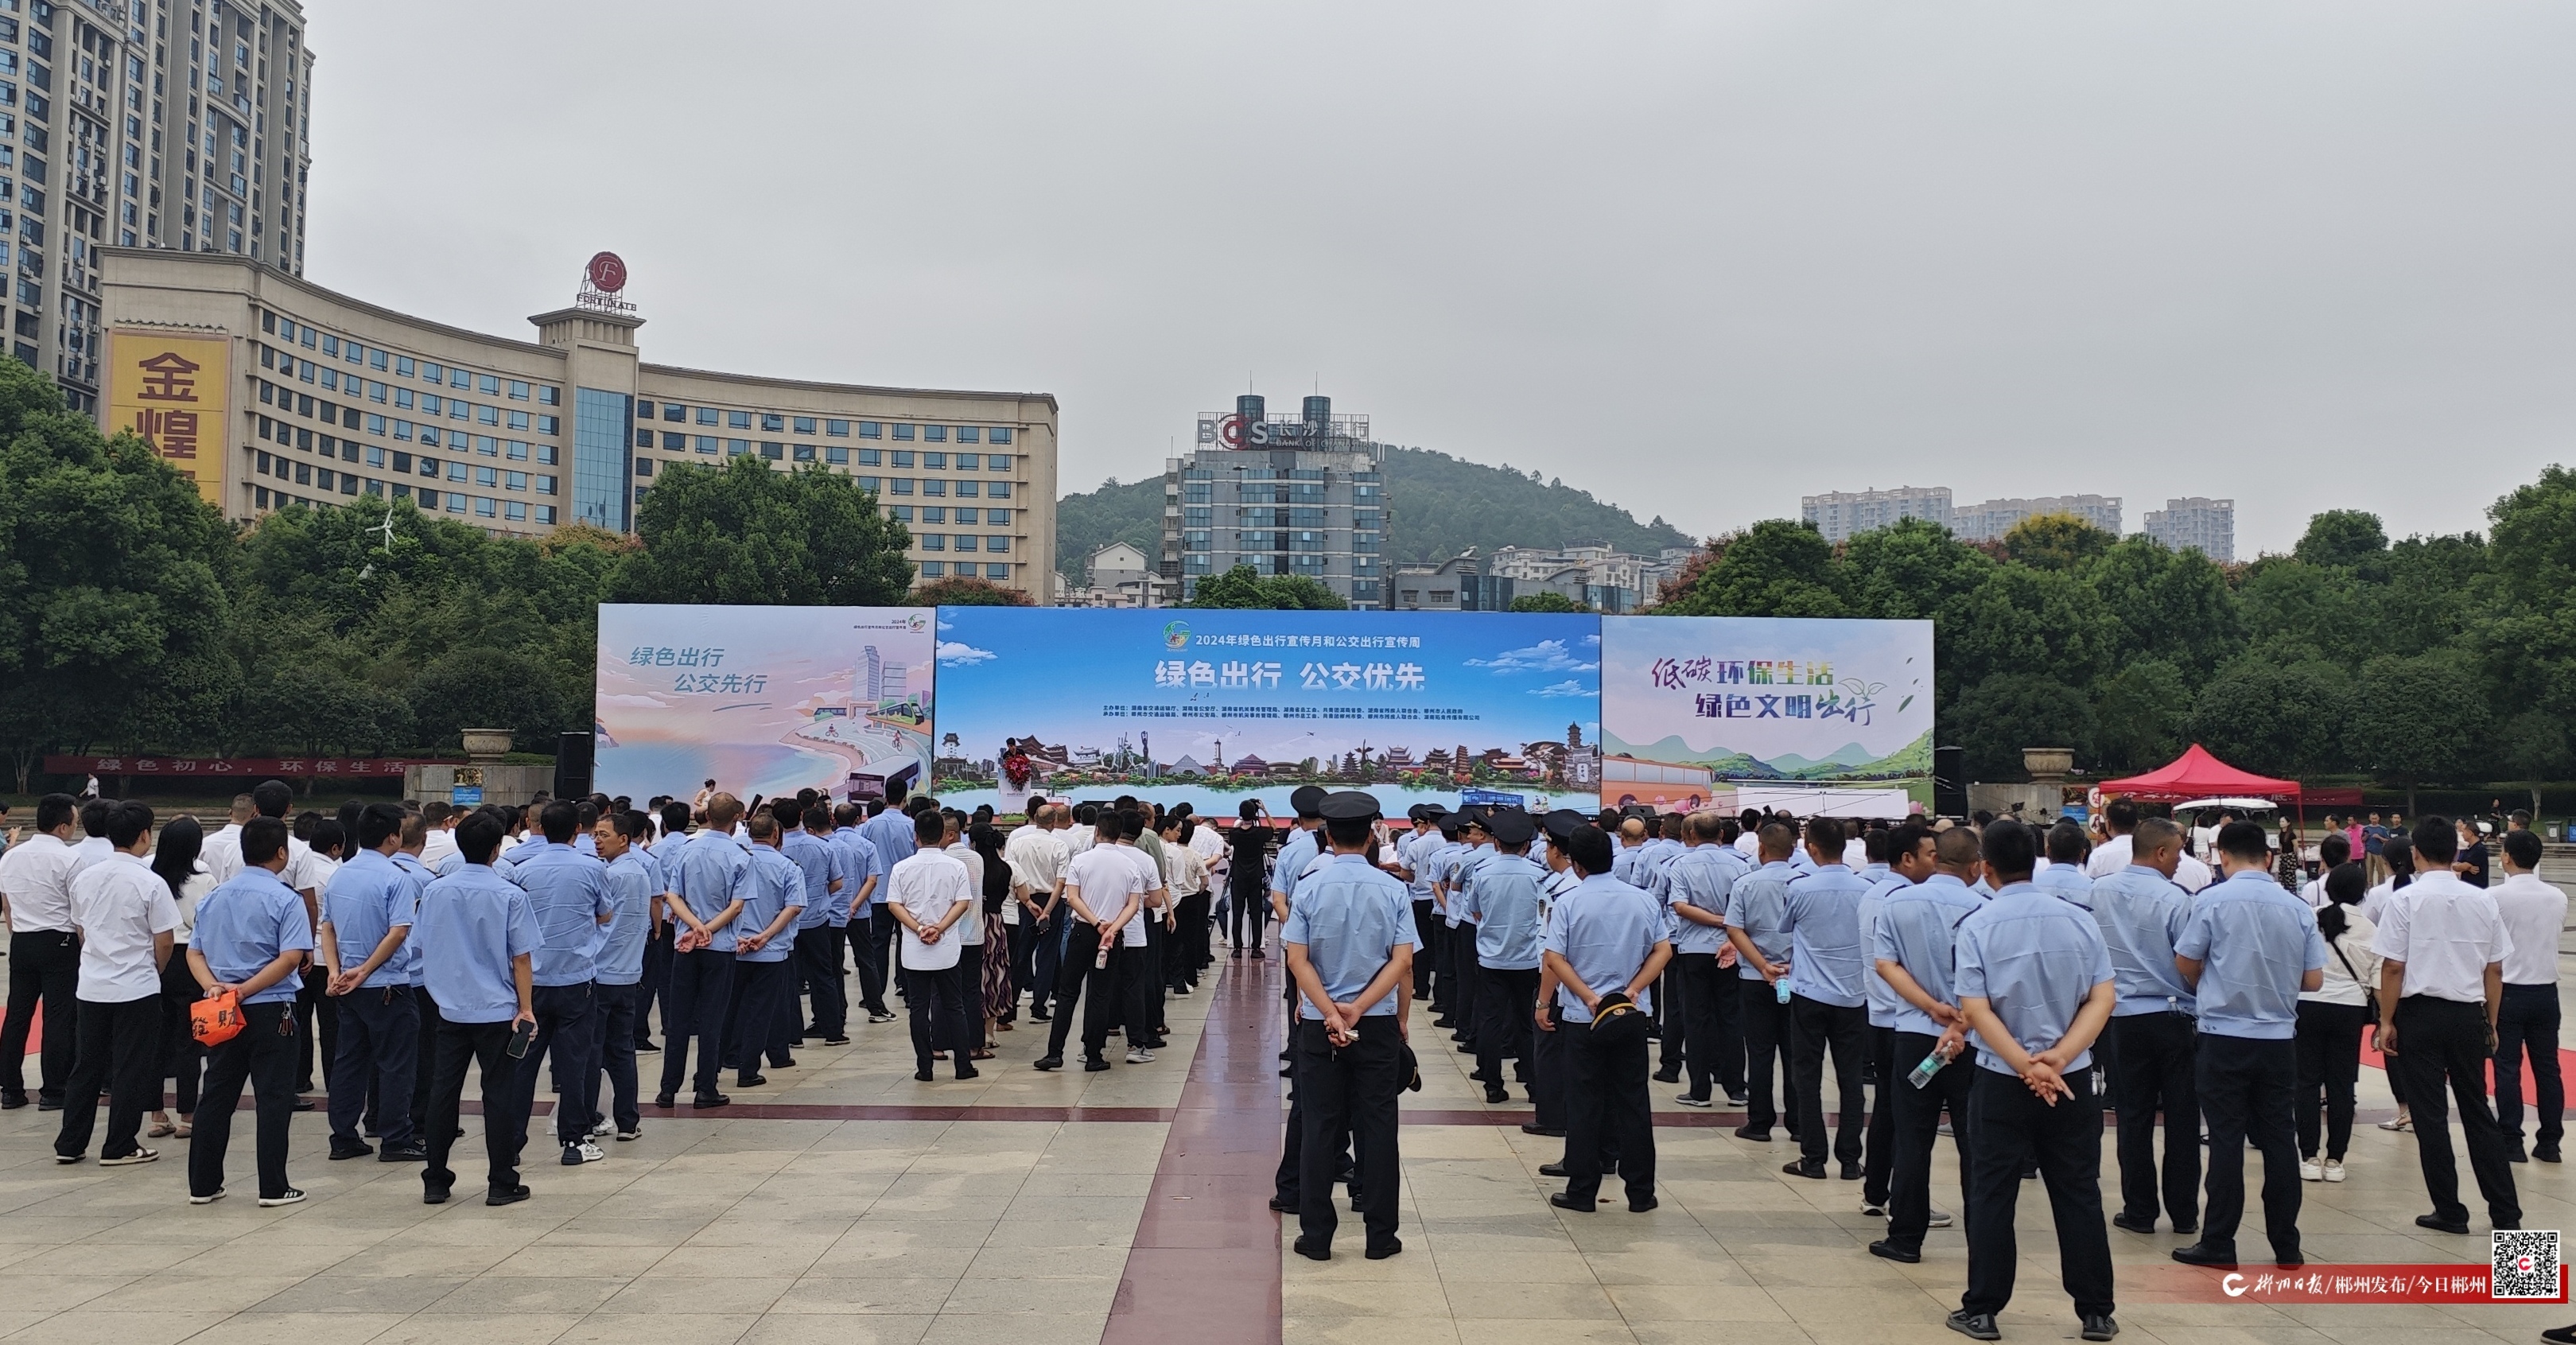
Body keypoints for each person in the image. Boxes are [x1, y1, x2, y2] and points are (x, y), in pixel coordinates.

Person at [1946, 819, 2118, 1343]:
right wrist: (2059, 1058)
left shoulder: (1977, 925)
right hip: (2070, 1078)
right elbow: (2103, 997)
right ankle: (2096, 1311)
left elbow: (1976, 1009)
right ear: (2038, 858)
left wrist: (2025, 1064)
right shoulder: (2079, 920)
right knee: (2078, 1189)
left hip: (2001, 1078)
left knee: (1993, 1192)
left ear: (1986, 867)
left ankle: (1982, 1309)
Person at [2173, 818, 2327, 1269]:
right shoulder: (2297, 907)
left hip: (2223, 1036)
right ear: (2269, 856)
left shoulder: (2211, 901)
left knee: (2226, 1141)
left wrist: (2212, 981)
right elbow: (2313, 980)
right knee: (2280, 1139)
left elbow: (2185, 960)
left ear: (2221, 856)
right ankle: (2287, 1245)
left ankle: (2220, 1242)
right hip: (2278, 1040)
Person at [1281, 790, 1415, 1260]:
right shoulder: (1393, 889)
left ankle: (1317, 1237)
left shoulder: (1310, 887)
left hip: (1320, 1024)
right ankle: (1381, 1236)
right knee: (1378, 1125)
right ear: (1372, 835)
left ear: (1328, 837)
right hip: (1375, 1023)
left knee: (1320, 1125)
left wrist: (1330, 1011)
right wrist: (1359, 1008)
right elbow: (1402, 961)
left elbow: (1297, 959)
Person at [2375, 815, 2522, 1235]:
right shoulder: (2483, 900)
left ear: (2416, 854)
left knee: (2430, 1115)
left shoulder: (2405, 900)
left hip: (2419, 1014)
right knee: (2477, 1111)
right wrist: (2491, 1022)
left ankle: (2450, 1211)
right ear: (2455, 852)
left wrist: (2386, 1020)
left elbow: (2393, 966)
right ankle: (2506, 1216)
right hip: (2467, 1013)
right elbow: (2495, 969)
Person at [1540, 822, 1669, 1215]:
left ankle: (1583, 1190)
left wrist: (1588, 997)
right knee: (1633, 1101)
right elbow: (1663, 950)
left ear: (1576, 863)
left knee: (1584, 1102)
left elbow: (1554, 958)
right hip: (1630, 1016)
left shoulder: (1569, 902)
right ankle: (1641, 1192)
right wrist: (1632, 990)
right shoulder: (1642, 900)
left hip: (1583, 1018)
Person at [186, 816, 316, 1206]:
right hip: (271, 1008)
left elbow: (195, 952)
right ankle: (273, 1187)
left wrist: (215, 986)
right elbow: (291, 957)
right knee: (273, 1098)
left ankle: (203, 1184)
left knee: (216, 1096)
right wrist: (245, 990)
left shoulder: (215, 897)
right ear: (282, 853)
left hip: (221, 1008)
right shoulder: (286, 899)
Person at [413, 812, 540, 1207]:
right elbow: (521, 957)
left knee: (443, 1092)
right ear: (496, 850)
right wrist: (526, 1008)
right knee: (498, 1094)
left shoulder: (435, 890)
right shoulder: (510, 894)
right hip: (497, 1010)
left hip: (448, 1007)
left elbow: (422, 943)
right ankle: (501, 1181)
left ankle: (435, 1180)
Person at [2089, 816, 2202, 1238]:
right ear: (2160, 852)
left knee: (2132, 1116)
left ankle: (2139, 1211)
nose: (2180, 861)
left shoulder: (2098, 892)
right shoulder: (2176, 900)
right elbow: (2190, 962)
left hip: (2122, 1018)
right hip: (2174, 1017)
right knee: (2182, 1117)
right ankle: (2184, 1213)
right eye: (2178, 853)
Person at [1867, 822, 1972, 1263]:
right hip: (1973, 1039)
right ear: (1975, 865)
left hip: (1915, 1034)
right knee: (1975, 1141)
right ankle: (1983, 1237)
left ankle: (1906, 1237)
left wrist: (1930, 1007)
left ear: (1937, 858)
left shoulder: (1897, 903)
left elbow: (1885, 964)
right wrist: (1962, 1020)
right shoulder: (1983, 906)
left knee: (1912, 1138)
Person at [51, 800, 178, 1167]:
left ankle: (70, 1142)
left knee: (86, 1066)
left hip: (92, 985)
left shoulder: (86, 877)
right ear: (144, 835)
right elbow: (164, 940)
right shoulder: (150, 881)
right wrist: (154, 970)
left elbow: (81, 929)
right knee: (130, 1067)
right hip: (136, 986)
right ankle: (119, 1144)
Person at [316, 803, 425, 1164]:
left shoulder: (341, 874)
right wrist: (365, 970)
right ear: (393, 837)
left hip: (347, 984)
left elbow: (327, 927)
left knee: (349, 1062)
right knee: (395, 1064)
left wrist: (335, 971)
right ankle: (395, 1137)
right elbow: (399, 932)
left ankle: (343, 1137)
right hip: (387, 983)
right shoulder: (396, 877)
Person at [1776, 817, 1873, 1181]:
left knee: (1807, 1076)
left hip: (1809, 993)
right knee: (1851, 1078)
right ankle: (1850, 1159)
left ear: (1811, 847)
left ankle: (1813, 1157)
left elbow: (1786, 928)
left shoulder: (1800, 888)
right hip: (1853, 996)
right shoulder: (1865, 889)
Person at [662, 793, 749, 1108]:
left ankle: (668, 1088)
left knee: (679, 1018)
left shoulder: (686, 850)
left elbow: (673, 896)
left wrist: (694, 927)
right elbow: (736, 906)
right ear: (736, 818)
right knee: (713, 1019)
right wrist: (708, 929)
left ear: (707, 816)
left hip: (685, 943)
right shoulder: (740, 856)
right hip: (719, 946)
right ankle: (705, 1087)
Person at [0, 793, 86, 1110]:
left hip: (23, 940)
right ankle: (53, 1090)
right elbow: (78, 913)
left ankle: (10, 1089)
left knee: (18, 1014)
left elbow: (7, 905)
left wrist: (19, 933)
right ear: (63, 826)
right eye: (74, 822)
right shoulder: (70, 859)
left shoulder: (11, 857)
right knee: (59, 1016)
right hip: (59, 941)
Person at [2295, 863, 2377, 1183]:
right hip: (2350, 1009)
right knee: (2342, 1085)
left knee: (2306, 1082)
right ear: (2362, 891)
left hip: (2308, 1003)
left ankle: (2308, 1156)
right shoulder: (2370, 928)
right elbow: (2378, 978)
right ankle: (2335, 1160)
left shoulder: (2309, 917)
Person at [1724, 821, 1805, 1144]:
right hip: (1797, 978)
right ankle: (1799, 1123)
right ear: (1793, 850)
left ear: (1761, 849)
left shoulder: (1746, 884)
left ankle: (1759, 1122)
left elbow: (1735, 929)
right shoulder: (1803, 884)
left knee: (1759, 1052)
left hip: (1755, 978)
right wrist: (1792, 965)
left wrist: (1762, 965)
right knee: (1796, 1053)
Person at [2490, 828, 2565, 1164]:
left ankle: (2511, 1140)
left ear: (2506, 857)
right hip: (2546, 991)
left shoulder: (2494, 897)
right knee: (2548, 1069)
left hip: (2509, 991)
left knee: (2507, 1067)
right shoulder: (2557, 897)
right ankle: (2550, 1142)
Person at [1463, 809, 1547, 1104]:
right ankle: (1533, 1083)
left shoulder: (1483, 873)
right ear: (1526, 845)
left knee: (1491, 1021)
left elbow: (1474, 911)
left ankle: (1493, 1084)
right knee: (1527, 1022)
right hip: (1528, 959)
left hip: (1491, 959)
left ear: (1496, 842)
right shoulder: (1539, 876)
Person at [887, 807, 977, 1081]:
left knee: (918, 1008)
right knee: (954, 1006)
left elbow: (894, 905)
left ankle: (924, 1068)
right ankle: (963, 1066)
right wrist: (939, 928)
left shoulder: (901, 868)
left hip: (914, 949)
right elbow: (963, 902)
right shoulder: (956, 866)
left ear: (916, 836)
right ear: (942, 836)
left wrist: (918, 928)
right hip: (946, 948)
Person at [1665, 811, 1744, 1109]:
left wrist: (1714, 920)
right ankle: (1736, 1088)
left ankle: (1700, 1090)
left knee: (1696, 1019)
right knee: (1730, 1018)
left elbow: (1680, 906)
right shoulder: (1740, 864)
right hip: (1731, 946)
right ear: (1721, 834)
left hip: (1693, 949)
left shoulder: (1681, 864)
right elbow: (1744, 908)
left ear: (1692, 835)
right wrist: (1727, 923)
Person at [727, 811, 808, 1087]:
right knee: (762, 1011)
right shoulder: (788, 867)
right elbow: (793, 907)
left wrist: (740, 937)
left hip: (735, 947)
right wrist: (765, 936)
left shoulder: (737, 861)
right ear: (776, 834)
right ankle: (748, 1070)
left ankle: (720, 1062)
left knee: (729, 1008)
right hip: (771, 951)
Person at [588, 810, 653, 1143]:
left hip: (602, 973)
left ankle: (588, 1118)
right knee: (622, 1051)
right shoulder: (641, 872)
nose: (597, 841)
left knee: (592, 1051)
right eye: (595, 835)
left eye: (604, 835)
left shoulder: (608, 874)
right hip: (628, 972)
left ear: (624, 839)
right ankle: (628, 1121)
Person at [148, 816, 215, 1141]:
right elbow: (210, 924)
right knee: (189, 1041)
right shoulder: (204, 880)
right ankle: (187, 1113)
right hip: (190, 959)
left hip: (156, 958)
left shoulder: (150, 876)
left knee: (157, 1039)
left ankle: (156, 1114)